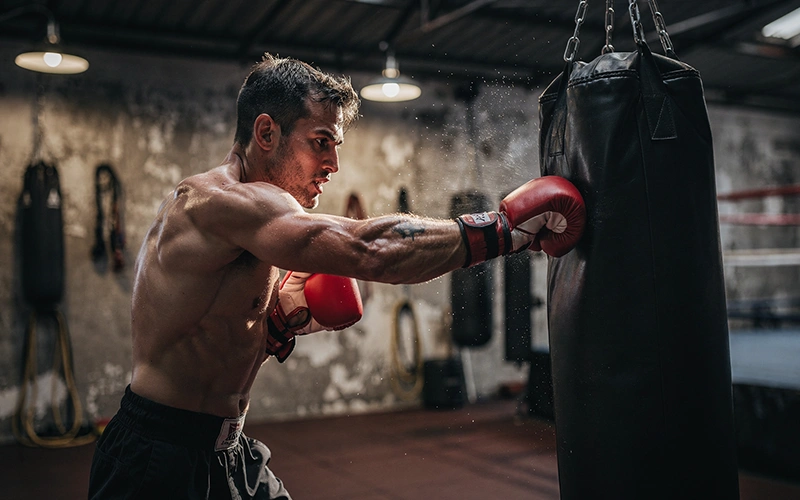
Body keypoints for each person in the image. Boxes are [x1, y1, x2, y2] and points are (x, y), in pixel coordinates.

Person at [88, 53, 586, 500]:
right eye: (320, 142)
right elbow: (369, 250)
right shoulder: (219, 203)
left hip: (229, 450)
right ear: (266, 133)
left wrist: (274, 324)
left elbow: (202, 332)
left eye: (337, 144)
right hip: (159, 458)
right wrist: (505, 232)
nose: (333, 164)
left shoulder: (253, 227)